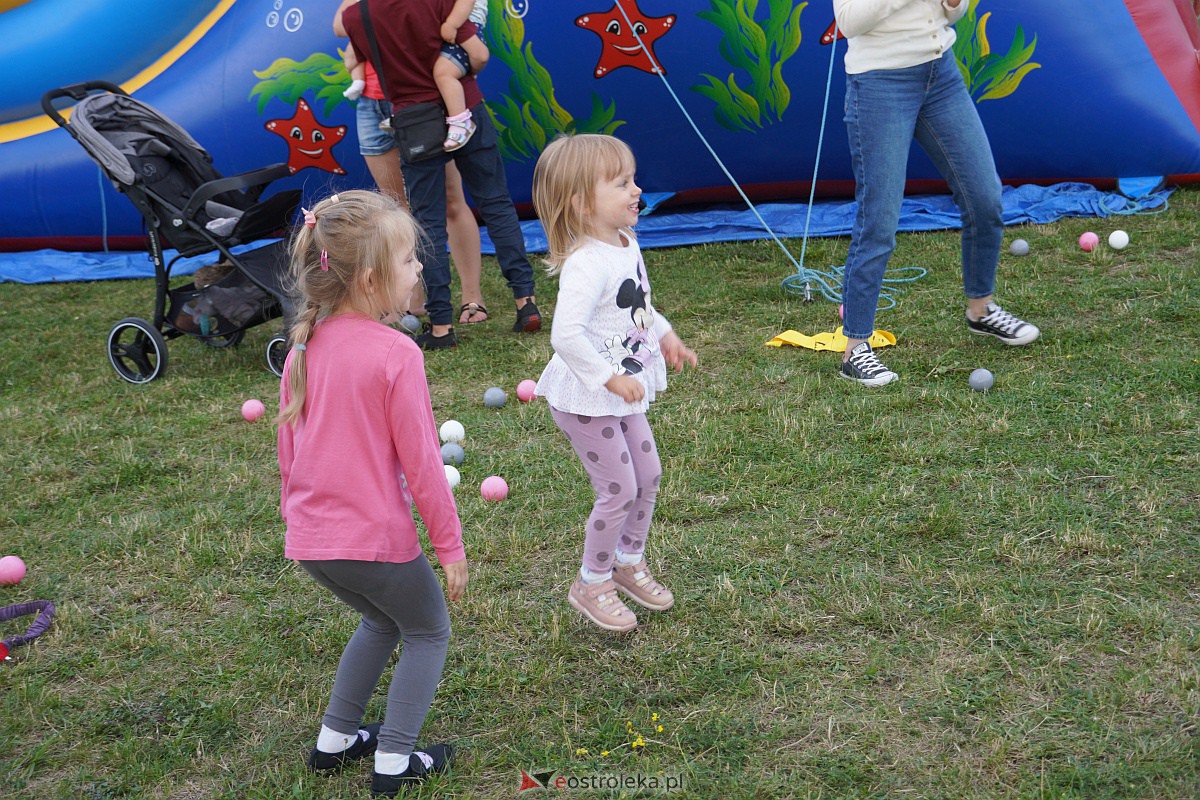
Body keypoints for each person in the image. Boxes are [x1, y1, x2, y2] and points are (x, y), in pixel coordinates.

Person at [278, 190, 468, 796]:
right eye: (410, 260)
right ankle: (394, 760)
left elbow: (289, 451)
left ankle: (334, 741)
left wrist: (298, 519)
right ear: (369, 277)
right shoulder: (396, 354)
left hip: (312, 541)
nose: (419, 270)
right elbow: (423, 467)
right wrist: (450, 547)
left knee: (382, 621)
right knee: (427, 630)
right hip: (374, 541)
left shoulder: (304, 344)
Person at [531, 134, 697, 633]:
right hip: (587, 398)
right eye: (621, 183)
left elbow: (637, 306)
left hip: (620, 392)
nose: (636, 190)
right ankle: (592, 581)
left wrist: (665, 334)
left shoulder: (626, 242)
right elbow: (566, 334)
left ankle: (628, 562)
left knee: (648, 476)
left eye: (633, 179)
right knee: (618, 489)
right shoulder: (585, 264)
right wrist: (607, 378)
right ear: (582, 204)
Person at [833, 0, 1040, 387]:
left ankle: (980, 311)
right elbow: (848, 22)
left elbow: (947, 15)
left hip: (940, 75)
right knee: (879, 219)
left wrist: (952, 4)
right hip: (878, 84)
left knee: (984, 198)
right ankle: (855, 350)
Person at [340, 0, 542, 351]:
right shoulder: (439, 2)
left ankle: (441, 326)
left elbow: (361, 60)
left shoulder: (356, 16)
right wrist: (455, 71)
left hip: (413, 121)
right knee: (495, 203)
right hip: (467, 108)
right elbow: (477, 54)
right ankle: (526, 302)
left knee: (426, 223)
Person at [333, 2, 490, 326]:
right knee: (395, 209)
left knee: (450, 199)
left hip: (419, 97)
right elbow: (340, 25)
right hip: (371, 105)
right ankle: (409, 299)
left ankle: (472, 297)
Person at [434, 0, 490, 151]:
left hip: (467, 25)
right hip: (448, 25)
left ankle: (461, 121)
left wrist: (452, 24)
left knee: (443, 73)